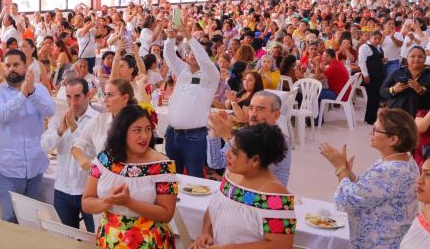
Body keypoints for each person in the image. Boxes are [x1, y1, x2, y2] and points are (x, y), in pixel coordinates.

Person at [320, 108, 420, 249]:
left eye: (375, 130)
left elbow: (346, 202)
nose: (370, 133)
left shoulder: (388, 170)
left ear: (393, 139)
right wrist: (349, 174)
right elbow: (368, 191)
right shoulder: (405, 160)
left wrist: (340, 168)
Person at [82, 104, 178, 249]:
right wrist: (109, 202)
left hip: (148, 240)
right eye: (137, 130)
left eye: (148, 129)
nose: (144, 136)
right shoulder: (104, 160)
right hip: (110, 238)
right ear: (122, 132)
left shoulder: (162, 165)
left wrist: (128, 202)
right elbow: (86, 202)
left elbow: (166, 214)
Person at [192, 124, 294, 249]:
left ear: (255, 160)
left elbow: (281, 245)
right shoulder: (231, 174)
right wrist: (206, 233)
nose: (227, 154)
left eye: (235, 152)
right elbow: (216, 207)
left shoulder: (275, 196)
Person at [0, 49, 55, 222]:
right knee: (9, 219)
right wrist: (23, 95)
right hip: (6, 168)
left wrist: (31, 94)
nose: (11, 69)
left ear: (26, 67)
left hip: (34, 167)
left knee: (30, 220)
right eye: (7, 65)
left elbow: (50, 110)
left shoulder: (38, 89)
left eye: (16, 65)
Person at [159, 22, 219, 177]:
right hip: (172, 133)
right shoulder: (183, 71)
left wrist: (189, 37)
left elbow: (205, 61)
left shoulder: (211, 75)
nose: (192, 53)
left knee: (194, 177)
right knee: (172, 175)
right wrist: (170, 40)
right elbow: (169, 56)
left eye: (196, 51)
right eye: (190, 51)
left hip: (194, 136)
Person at [41, 78, 99, 232]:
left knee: (96, 237)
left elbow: (93, 152)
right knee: (66, 240)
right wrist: (60, 130)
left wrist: (74, 128)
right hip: (63, 188)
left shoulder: (97, 119)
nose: (73, 102)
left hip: (89, 190)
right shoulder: (59, 117)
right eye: (68, 96)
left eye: (77, 96)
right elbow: (44, 146)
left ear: (88, 96)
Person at [207, 91, 292, 186]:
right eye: (251, 108)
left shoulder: (281, 141)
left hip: (262, 197)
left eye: (260, 109)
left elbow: (253, 168)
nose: (253, 114)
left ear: (276, 114)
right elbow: (216, 163)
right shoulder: (245, 133)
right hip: (235, 193)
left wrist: (228, 136)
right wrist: (215, 131)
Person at [72, 79, 139, 172]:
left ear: (125, 98)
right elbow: (78, 145)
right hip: (102, 179)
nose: (104, 100)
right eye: (105, 94)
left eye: (110, 95)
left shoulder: (137, 123)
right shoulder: (99, 120)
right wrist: (83, 160)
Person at [381, 46, 430, 116]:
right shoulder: (397, 73)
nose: (416, 59)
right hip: (397, 116)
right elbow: (382, 91)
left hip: (421, 117)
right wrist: (394, 89)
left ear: (425, 59)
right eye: (412, 56)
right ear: (407, 58)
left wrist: (421, 90)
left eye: (420, 57)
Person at [358, 30, 386, 125]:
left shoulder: (378, 47)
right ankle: (370, 119)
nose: (377, 40)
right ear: (370, 38)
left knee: (377, 97)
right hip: (370, 76)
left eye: (379, 39)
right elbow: (362, 62)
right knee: (372, 97)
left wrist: (383, 60)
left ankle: (373, 117)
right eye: (375, 38)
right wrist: (365, 75)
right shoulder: (364, 47)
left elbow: (376, 60)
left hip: (378, 75)